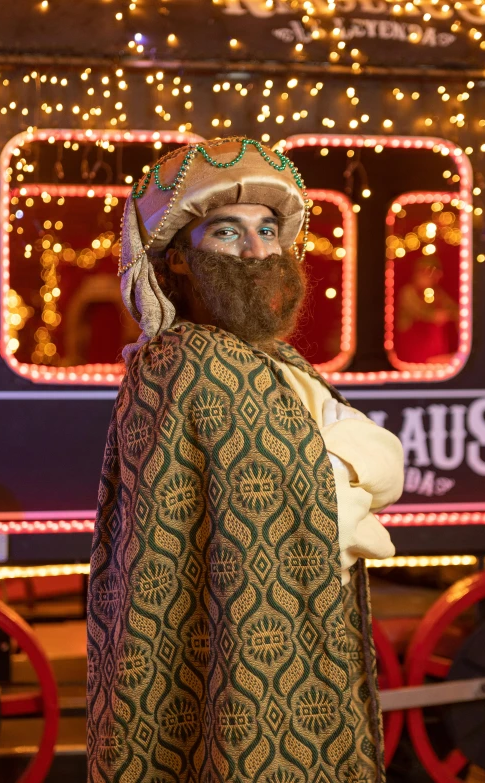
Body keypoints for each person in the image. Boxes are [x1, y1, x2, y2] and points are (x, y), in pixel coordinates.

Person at [87, 137, 404, 783]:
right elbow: (329, 513)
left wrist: (333, 477)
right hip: (229, 660)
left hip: (303, 643)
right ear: (176, 258)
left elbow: (388, 463)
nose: (258, 251)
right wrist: (349, 491)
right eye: (228, 232)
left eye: (267, 229)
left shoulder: (281, 363)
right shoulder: (183, 364)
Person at [395, 255, 459, 364]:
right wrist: (435, 316)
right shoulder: (408, 292)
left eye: (434, 274)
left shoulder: (437, 293)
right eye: (426, 273)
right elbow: (420, 313)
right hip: (413, 353)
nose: (431, 277)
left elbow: (454, 309)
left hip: (435, 353)